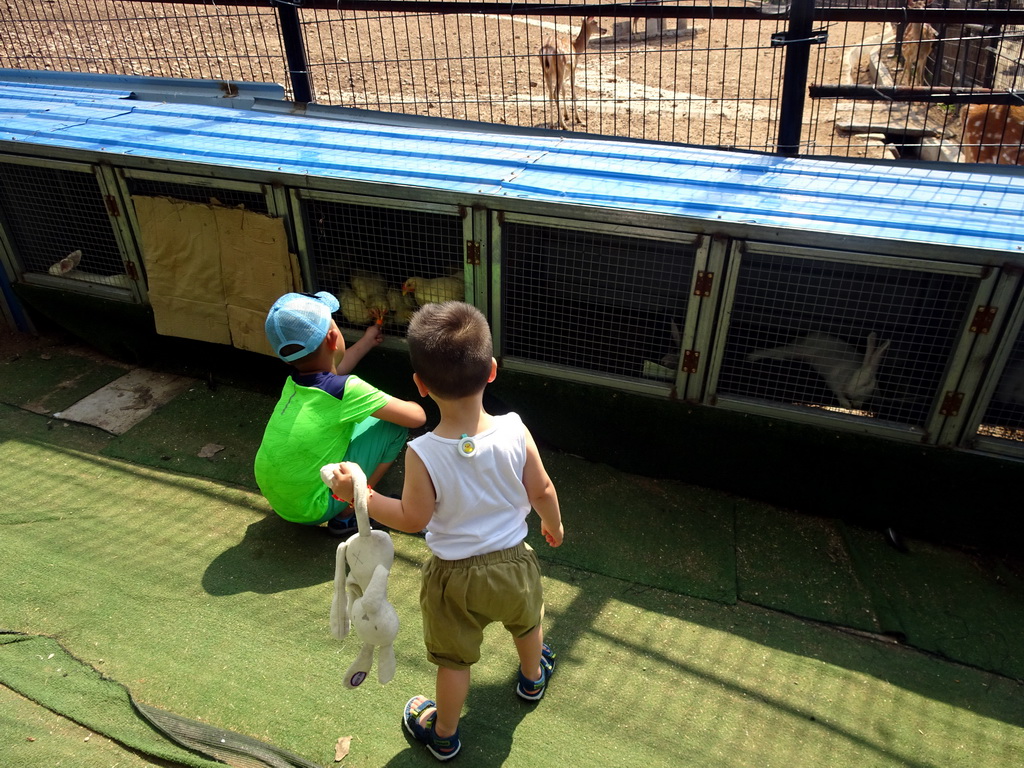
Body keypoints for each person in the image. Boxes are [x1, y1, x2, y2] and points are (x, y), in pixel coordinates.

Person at [327, 300, 564, 762]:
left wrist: (358, 494)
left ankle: (445, 734)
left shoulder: (425, 453)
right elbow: (543, 488)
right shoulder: (516, 429)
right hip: (516, 563)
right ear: (492, 370)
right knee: (528, 622)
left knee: (455, 662)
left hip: (455, 579)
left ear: (419, 385)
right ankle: (533, 677)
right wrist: (552, 524)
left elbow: (413, 518)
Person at [254, 291, 426, 536]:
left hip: (280, 498)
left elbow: (335, 370)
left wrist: (367, 340)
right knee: (393, 426)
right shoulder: (347, 390)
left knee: (362, 417)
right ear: (334, 337)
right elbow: (416, 417)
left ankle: (338, 500)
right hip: (313, 507)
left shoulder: (294, 383)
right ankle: (350, 511)